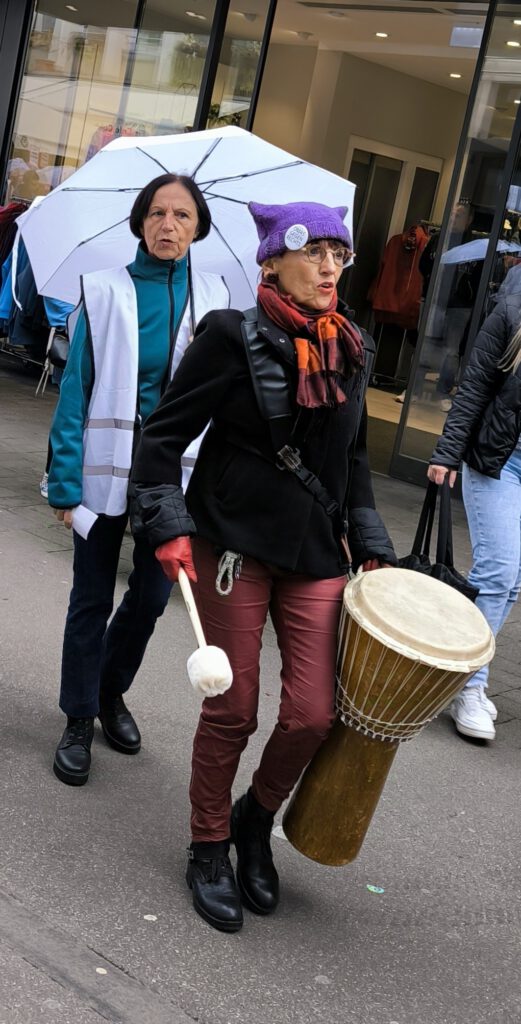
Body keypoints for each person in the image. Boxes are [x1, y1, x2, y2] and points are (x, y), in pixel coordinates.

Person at [130, 201, 397, 933]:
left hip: (315, 553)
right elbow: (161, 439)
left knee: (313, 715)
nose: (328, 268)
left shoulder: (353, 345)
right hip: (234, 545)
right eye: (313, 252)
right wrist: (168, 524)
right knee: (233, 707)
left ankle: (255, 819)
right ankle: (209, 842)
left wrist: (370, 540)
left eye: (339, 255)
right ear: (272, 260)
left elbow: (351, 459)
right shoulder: (229, 336)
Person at [49, 172, 229, 786]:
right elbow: (75, 392)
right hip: (104, 471)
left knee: (152, 599)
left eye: (182, 215)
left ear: (198, 227)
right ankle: (77, 718)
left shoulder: (216, 298)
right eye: (157, 213)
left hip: (170, 483)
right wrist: (64, 482)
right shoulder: (102, 291)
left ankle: (108, 693)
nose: (168, 225)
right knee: (91, 598)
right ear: (140, 221)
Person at [427, 277, 521, 741]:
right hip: (501, 460)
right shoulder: (511, 310)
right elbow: (475, 387)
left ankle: (460, 674)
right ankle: (469, 684)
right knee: (498, 571)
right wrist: (446, 454)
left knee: (514, 581)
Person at [418, 201, 479, 410]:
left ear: (469, 220)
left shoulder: (474, 246)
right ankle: (414, 390)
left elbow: (479, 277)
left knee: (451, 350)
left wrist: (467, 293)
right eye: (452, 215)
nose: (454, 219)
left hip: (460, 305)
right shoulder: (437, 240)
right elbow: (423, 265)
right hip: (434, 300)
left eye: (459, 216)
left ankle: (444, 392)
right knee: (424, 343)